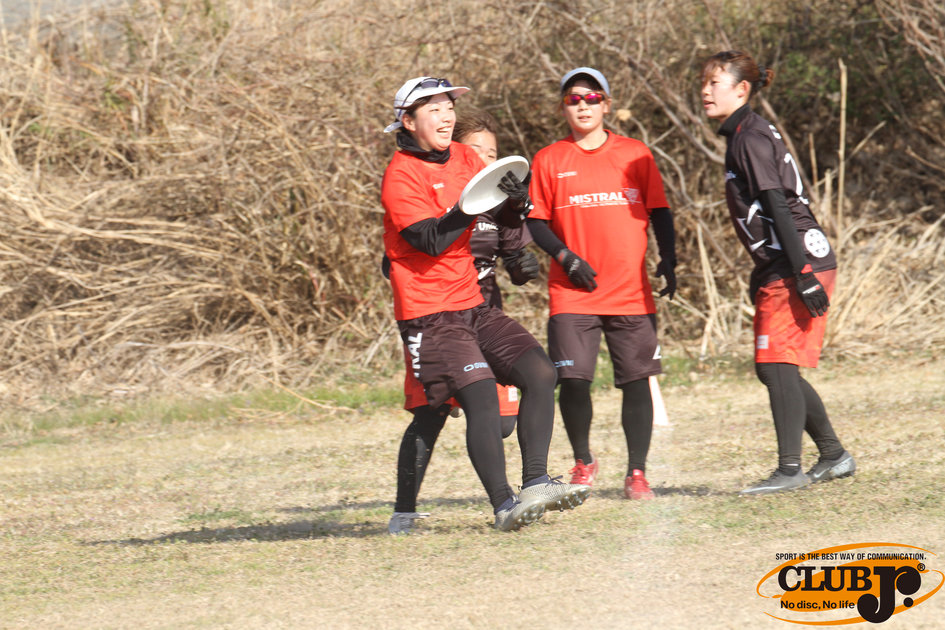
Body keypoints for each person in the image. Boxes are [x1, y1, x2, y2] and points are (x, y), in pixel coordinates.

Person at [380, 76, 589, 532]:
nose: (445, 116)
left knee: (541, 372)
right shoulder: (400, 175)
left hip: (473, 304)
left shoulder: (466, 156)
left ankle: (536, 483)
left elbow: (500, 218)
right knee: (477, 400)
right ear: (408, 121)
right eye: (433, 109)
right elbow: (431, 240)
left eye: (448, 107)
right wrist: (471, 205)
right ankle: (502, 505)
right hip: (429, 315)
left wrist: (515, 202)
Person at [700, 50, 856, 494]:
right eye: (704, 83)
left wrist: (801, 272)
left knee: (774, 364)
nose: (705, 91)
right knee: (775, 367)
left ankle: (791, 469)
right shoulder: (746, 133)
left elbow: (777, 205)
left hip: (798, 261)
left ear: (741, 89)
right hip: (789, 261)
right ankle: (833, 455)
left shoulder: (748, 137)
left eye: (714, 83)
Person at [526, 67, 677, 500]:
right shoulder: (549, 159)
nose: (583, 106)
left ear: (607, 105)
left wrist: (669, 259)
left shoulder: (635, 154)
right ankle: (583, 460)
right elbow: (536, 222)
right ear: (563, 108)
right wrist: (566, 257)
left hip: (630, 292)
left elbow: (660, 211)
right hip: (573, 293)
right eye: (573, 99)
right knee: (573, 380)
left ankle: (637, 473)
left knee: (636, 380)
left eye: (592, 98)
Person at [388, 109, 540, 534]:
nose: (485, 161)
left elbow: (514, 251)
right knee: (431, 412)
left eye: (492, 154)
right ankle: (405, 509)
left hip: (481, 313)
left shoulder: (493, 205)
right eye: (477, 151)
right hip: (433, 318)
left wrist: (522, 261)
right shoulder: (429, 191)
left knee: (502, 419)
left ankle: (531, 486)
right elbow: (408, 248)